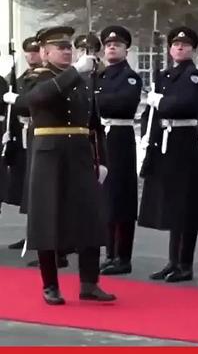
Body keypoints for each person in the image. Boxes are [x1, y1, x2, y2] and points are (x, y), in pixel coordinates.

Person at [13, 26, 114, 305]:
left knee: (89, 217)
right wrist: (74, 72)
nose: (67, 52)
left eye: (69, 47)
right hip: (49, 154)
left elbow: (93, 124)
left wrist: (101, 159)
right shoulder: (38, 77)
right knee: (47, 218)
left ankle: (89, 283)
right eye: (61, 48)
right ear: (45, 52)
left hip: (80, 152)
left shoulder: (81, 79)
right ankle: (50, 285)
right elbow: (34, 100)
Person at [138, 26, 198, 283]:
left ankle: (184, 264)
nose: (179, 47)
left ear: (192, 50)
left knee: (185, 206)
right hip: (164, 141)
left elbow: (186, 104)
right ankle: (173, 261)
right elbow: (151, 113)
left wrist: (160, 102)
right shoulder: (164, 75)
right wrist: (148, 133)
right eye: (176, 44)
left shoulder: (193, 76)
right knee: (172, 206)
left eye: (185, 45)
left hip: (183, 142)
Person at [95, 25, 143, 275]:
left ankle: (123, 256)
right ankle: (110, 253)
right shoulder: (99, 76)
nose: (112, 47)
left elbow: (123, 103)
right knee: (105, 197)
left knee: (121, 196)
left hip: (120, 138)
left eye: (117, 44)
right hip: (101, 136)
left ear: (126, 49)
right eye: (108, 44)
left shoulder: (130, 77)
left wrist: (97, 101)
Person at [3, 37, 40, 250]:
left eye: (35, 51)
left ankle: (40, 235)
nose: (31, 55)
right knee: (27, 187)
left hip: (38, 132)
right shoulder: (22, 77)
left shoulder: (44, 77)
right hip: (23, 136)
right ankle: (31, 233)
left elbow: (28, 103)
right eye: (28, 51)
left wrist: (16, 100)